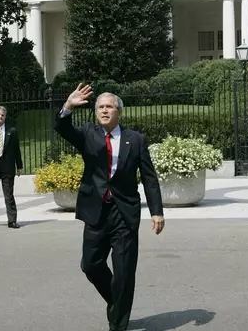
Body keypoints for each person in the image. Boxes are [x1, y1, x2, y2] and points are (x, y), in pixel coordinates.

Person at [54, 84, 165, 331]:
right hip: (96, 212)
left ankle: (118, 323)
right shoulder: (87, 135)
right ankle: (118, 301)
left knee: (124, 273)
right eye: (100, 107)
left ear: (119, 111)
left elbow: (149, 177)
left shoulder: (135, 140)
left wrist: (156, 211)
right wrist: (68, 107)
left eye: (109, 106)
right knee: (90, 265)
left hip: (125, 213)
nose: (104, 110)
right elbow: (61, 128)